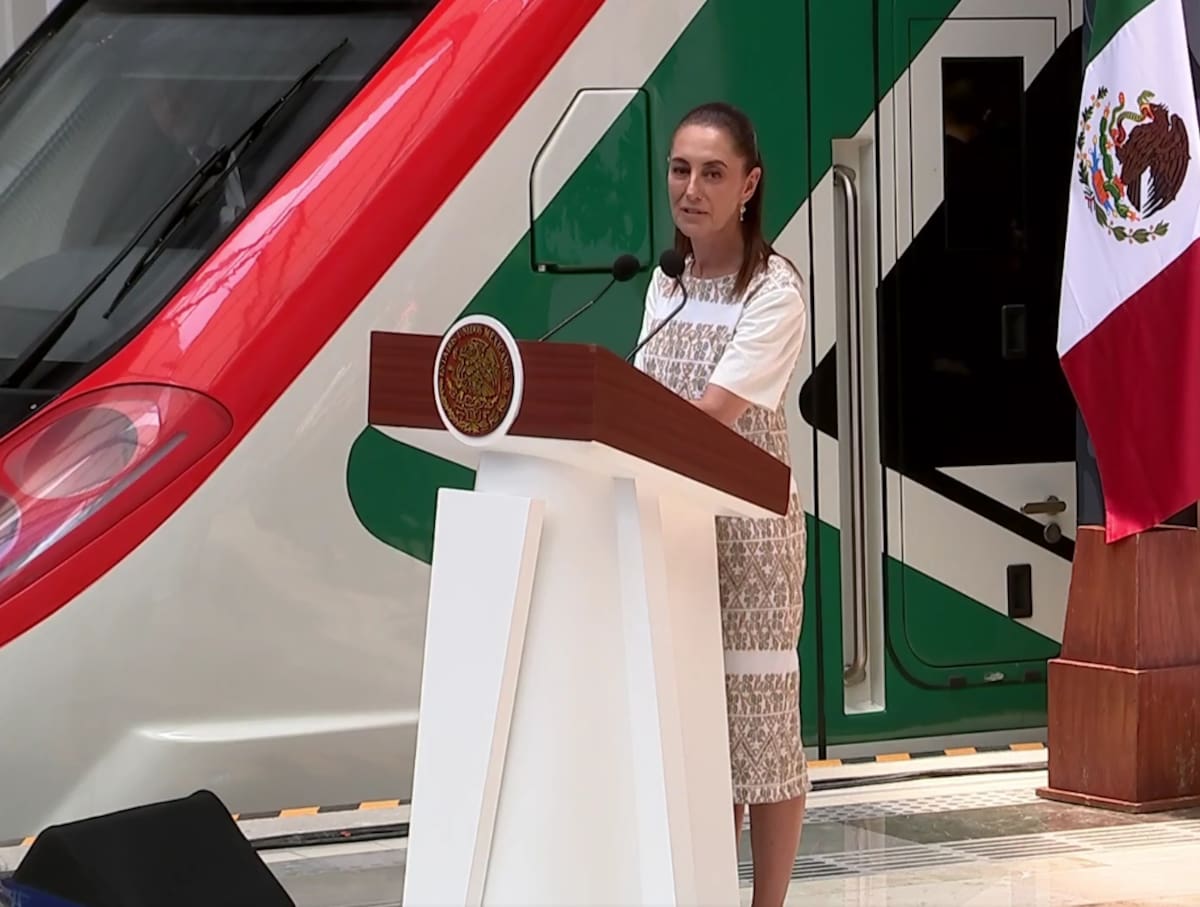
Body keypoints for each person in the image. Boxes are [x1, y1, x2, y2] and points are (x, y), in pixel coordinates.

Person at [632, 101, 809, 907]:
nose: (691, 188)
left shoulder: (774, 289)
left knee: (761, 735)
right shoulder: (666, 281)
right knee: (702, 732)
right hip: (673, 527)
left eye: (712, 172)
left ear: (749, 185)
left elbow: (712, 414)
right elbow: (642, 395)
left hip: (748, 537)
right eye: (680, 169)